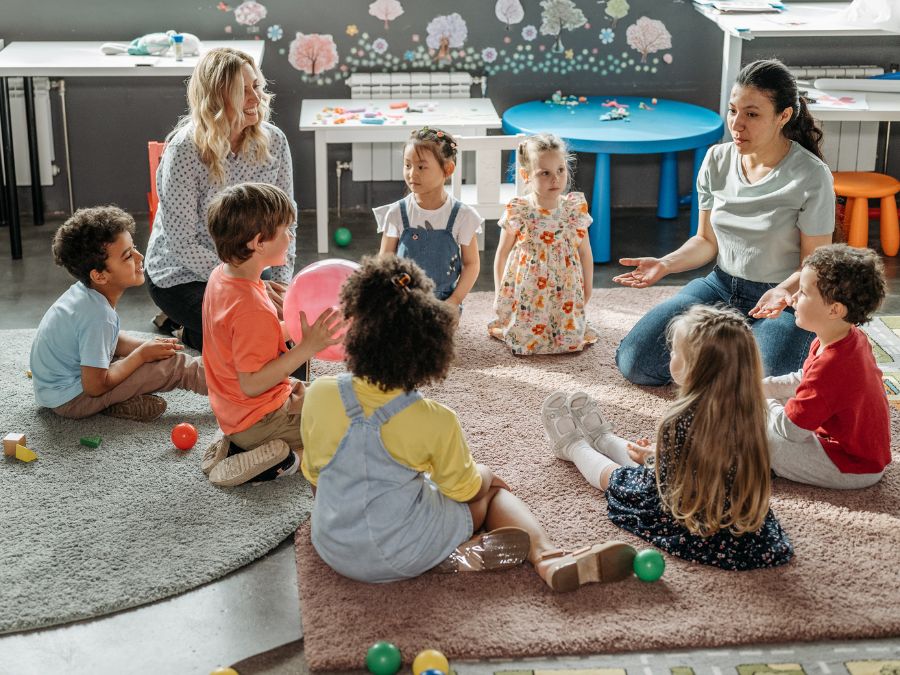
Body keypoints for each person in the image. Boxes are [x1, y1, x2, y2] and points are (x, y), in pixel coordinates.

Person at [301, 255, 636, 591]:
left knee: (403, 485)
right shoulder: (435, 419)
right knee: (489, 494)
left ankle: (445, 553)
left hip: (333, 546)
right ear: (429, 351)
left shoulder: (319, 393)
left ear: (353, 331)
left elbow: (316, 476)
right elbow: (465, 489)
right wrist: (488, 476)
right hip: (403, 550)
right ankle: (549, 558)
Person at [614, 58, 834, 385]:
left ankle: (730, 357)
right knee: (636, 361)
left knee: (764, 385)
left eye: (752, 114)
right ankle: (730, 356)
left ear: (783, 116)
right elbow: (705, 241)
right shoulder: (717, 160)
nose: (737, 124)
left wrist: (784, 292)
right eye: (733, 111)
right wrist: (665, 263)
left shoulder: (811, 175)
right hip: (720, 285)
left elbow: (813, 263)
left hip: (781, 299)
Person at [543, 305, 794, 570]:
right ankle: (603, 438)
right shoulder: (753, 408)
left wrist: (656, 457)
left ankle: (573, 447)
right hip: (740, 520)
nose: (670, 354)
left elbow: (666, 482)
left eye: (675, 351)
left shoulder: (681, 419)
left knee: (619, 478)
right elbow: (706, 459)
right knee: (643, 464)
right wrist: (659, 455)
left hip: (697, 518)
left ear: (694, 367)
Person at [145, 47, 295, 351]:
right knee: (251, 333)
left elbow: (286, 222)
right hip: (181, 275)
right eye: (242, 91)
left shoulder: (274, 141)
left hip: (248, 267)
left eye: (257, 86)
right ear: (215, 99)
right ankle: (186, 329)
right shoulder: (185, 150)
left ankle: (192, 329)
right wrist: (247, 283)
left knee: (279, 328)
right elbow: (182, 244)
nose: (256, 98)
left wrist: (283, 287)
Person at [200, 183, 344, 488]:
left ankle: (236, 443)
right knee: (346, 432)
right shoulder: (252, 308)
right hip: (258, 417)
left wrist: (292, 330)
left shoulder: (222, 276)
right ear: (258, 243)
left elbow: (243, 342)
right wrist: (306, 348)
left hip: (236, 408)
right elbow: (252, 384)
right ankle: (281, 459)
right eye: (285, 230)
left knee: (331, 394)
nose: (290, 237)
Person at [30, 206, 206, 422]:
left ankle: (118, 402)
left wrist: (145, 347)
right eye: (127, 256)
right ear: (100, 276)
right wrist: (142, 355)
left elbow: (110, 339)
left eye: (135, 248)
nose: (139, 257)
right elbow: (95, 386)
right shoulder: (98, 316)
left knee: (149, 356)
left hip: (58, 390)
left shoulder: (86, 294)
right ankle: (239, 391)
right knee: (174, 367)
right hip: (73, 400)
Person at [765, 244, 890, 489]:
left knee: (769, 443)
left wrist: (760, 401)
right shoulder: (844, 338)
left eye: (802, 292)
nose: (793, 298)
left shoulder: (833, 365)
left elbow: (790, 431)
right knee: (774, 404)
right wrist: (760, 387)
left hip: (853, 465)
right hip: (853, 447)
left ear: (834, 310)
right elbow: (804, 380)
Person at [489, 133, 596, 354]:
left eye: (560, 170)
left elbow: (585, 253)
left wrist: (588, 288)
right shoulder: (519, 210)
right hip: (528, 291)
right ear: (526, 175)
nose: (555, 179)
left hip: (565, 289)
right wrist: (501, 294)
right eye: (544, 173)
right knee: (525, 337)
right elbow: (502, 254)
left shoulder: (573, 210)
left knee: (568, 337)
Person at [374, 127, 482, 307]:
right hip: (403, 300)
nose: (412, 173)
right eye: (407, 165)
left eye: (421, 167)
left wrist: (454, 301)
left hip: (444, 303)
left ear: (448, 169)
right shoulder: (396, 213)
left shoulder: (463, 216)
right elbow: (384, 262)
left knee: (434, 333)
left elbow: (471, 264)